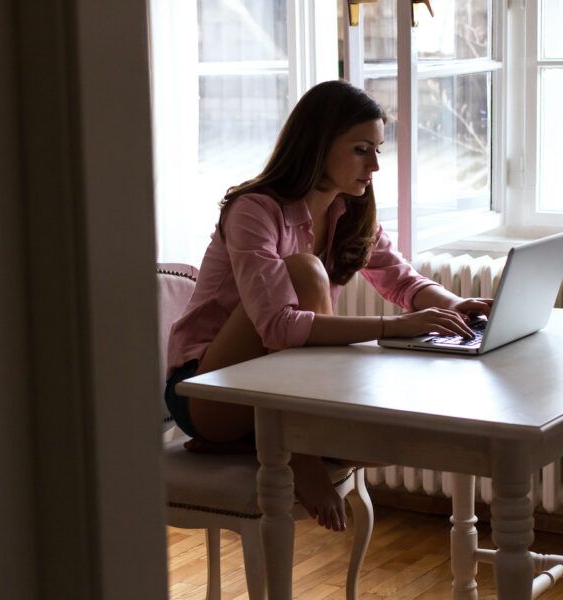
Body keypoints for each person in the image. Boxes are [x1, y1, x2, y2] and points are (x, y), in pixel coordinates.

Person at [164, 80, 492, 532]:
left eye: (378, 149)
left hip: (277, 398)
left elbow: (401, 280)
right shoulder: (254, 209)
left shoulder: (350, 209)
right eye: (361, 149)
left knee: (398, 440)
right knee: (303, 271)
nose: (375, 164)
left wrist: (458, 305)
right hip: (206, 390)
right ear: (318, 146)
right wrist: (394, 328)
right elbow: (278, 328)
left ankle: (261, 440)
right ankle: (299, 453)